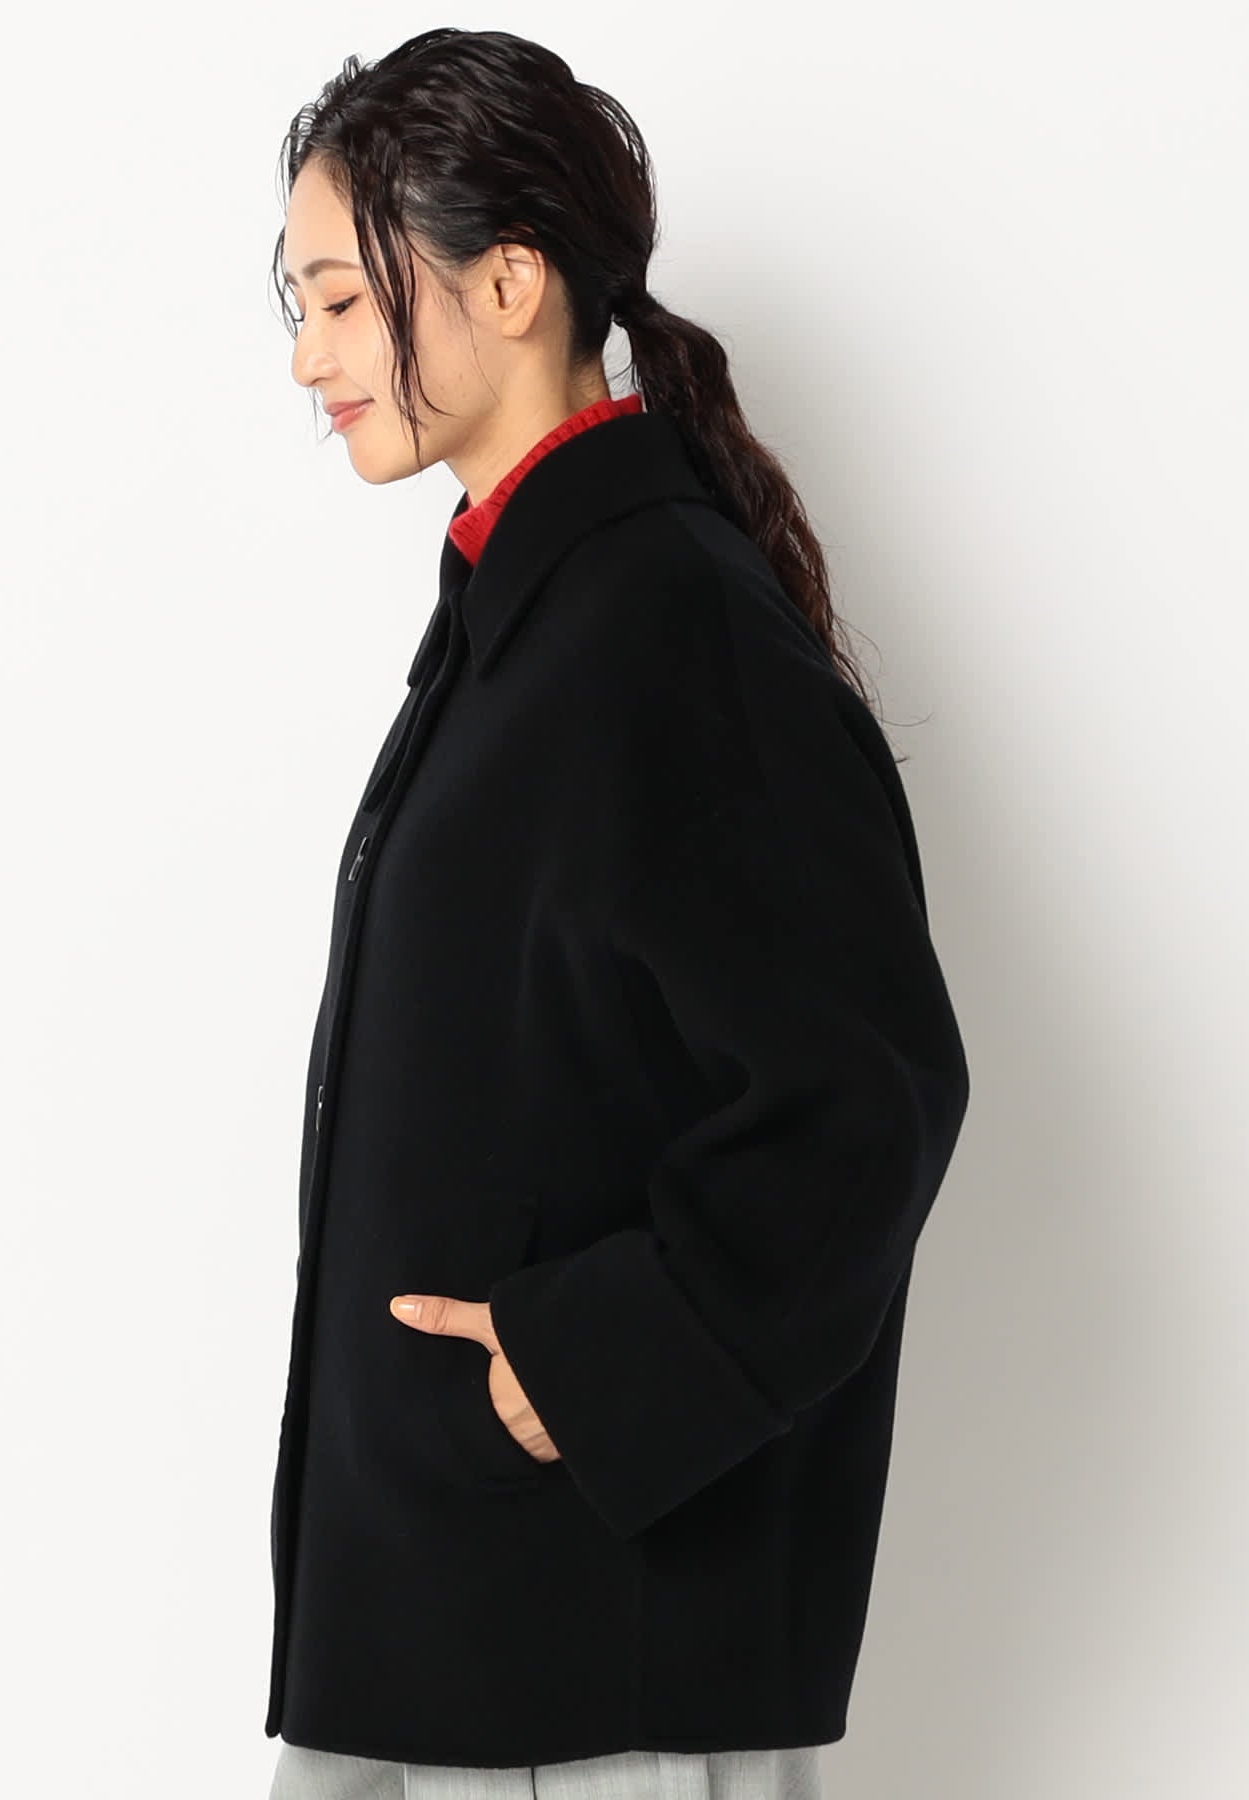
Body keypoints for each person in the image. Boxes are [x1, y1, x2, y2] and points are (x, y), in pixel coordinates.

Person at [264, 28, 970, 1800]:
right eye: (301, 305)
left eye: (342, 300)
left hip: (597, 1654)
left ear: (509, 286)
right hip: (447, 1622)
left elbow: (867, 1095)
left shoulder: (666, 624)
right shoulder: (528, 618)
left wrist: (598, 1365)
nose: (308, 357)